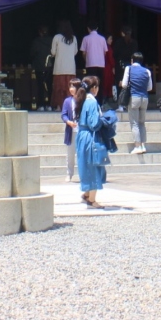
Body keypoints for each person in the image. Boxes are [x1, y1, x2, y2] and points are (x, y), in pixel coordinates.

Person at [74, 76, 107, 208]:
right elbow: (94, 123)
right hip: (90, 136)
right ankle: (92, 200)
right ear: (94, 88)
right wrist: (105, 121)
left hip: (82, 135)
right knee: (94, 166)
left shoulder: (82, 100)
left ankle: (87, 194)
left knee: (85, 165)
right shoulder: (92, 102)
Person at [120, 52, 153, 154]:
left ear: (132, 60)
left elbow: (124, 84)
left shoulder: (128, 68)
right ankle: (143, 145)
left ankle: (137, 146)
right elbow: (150, 87)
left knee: (134, 123)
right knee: (142, 122)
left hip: (134, 97)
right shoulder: (147, 71)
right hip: (145, 98)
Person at [50, 21, 78, 111]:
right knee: (70, 88)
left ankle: (59, 106)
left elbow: (53, 52)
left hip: (60, 68)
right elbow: (75, 52)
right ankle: (70, 106)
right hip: (71, 68)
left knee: (59, 89)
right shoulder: (74, 38)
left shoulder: (57, 37)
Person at [60, 78, 81, 182]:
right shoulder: (67, 101)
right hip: (71, 130)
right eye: (70, 86)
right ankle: (69, 174)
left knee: (81, 154)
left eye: (73, 86)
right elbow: (63, 114)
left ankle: (83, 174)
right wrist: (68, 122)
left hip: (81, 130)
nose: (71, 89)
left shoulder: (82, 100)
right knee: (70, 154)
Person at [29, 26, 54, 110]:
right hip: (49, 66)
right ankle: (50, 105)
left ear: (40, 32)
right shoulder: (52, 40)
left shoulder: (36, 41)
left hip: (39, 66)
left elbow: (32, 53)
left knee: (40, 86)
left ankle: (41, 105)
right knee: (49, 86)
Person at [80, 22, 108, 88]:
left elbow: (83, 53)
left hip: (90, 64)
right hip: (100, 64)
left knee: (90, 84)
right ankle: (100, 95)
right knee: (99, 84)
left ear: (88, 28)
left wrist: (87, 60)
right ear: (97, 28)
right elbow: (105, 52)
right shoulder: (102, 38)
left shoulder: (86, 38)